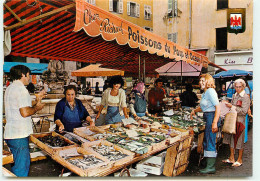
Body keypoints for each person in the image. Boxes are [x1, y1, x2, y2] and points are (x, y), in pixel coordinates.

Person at [4, 65, 45, 177]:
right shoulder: (21, 89)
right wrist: (37, 108)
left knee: (16, 166)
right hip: (19, 136)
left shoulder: (10, 88)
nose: (29, 78)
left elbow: (21, 106)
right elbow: (25, 112)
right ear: (23, 74)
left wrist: (36, 100)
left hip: (11, 135)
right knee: (21, 169)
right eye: (28, 75)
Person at [190, 73, 220, 174]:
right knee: (207, 140)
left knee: (210, 141)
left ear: (209, 82)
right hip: (208, 116)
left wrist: (214, 122)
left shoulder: (210, 91)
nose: (201, 83)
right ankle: (207, 163)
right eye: (200, 81)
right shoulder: (205, 92)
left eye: (203, 81)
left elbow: (218, 107)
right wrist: (195, 110)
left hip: (212, 117)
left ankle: (211, 167)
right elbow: (204, 107)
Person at [222, 78, 250, 167]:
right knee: (231, 139)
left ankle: (240, 159)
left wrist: (232, 106)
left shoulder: (245, 97)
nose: (238, 88)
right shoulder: (235, 95)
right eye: (236, 87)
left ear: (243, 87)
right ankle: (231, 158)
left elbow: (244, 111)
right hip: (233, 120)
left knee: (239, 140)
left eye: (240, 87)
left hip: (240, 121)